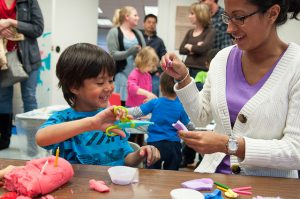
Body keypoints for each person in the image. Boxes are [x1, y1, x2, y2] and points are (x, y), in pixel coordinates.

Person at [161, 0, 300, 178]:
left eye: (239, 17)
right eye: (228, 17)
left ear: (272, 14)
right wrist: (183, 78)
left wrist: (227, 145)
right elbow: (201, 117)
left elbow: (296, 151)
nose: (230, 29)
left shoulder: (295, 66)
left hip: (269, 187)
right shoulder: (222, 59)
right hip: (213, 180)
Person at [35, 43, 160, 167]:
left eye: (111, 80)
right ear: (74, 86)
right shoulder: (64, 119)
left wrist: (140, 153)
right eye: (100, 82)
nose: (109, 88)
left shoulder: (113, 117)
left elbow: (125, 158)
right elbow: (41, 138)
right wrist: (91, 123)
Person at [128, 72, 195, 170]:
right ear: (178, 89)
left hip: (154, 144)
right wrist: (196, 129)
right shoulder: (180, 107)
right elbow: (188, 125)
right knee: (172, 173)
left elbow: (136, 112)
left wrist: (120, 111)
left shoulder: (155, 102)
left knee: (152, 172)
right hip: (173, 145)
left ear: (161, 87)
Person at [0, 0, 44, 150]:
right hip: (3, 58)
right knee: (3, 99)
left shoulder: (29, 1)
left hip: (28, 58)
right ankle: (4, 141)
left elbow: (38, 29)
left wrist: (12, 22)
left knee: (29, 98)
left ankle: (34, 143)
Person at [181, 48, 219, 168]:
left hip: (214, 119)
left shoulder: (222, 78)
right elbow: (197, 86)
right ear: (207, 64)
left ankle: (202, 160)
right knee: (193, 135)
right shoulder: (202, 74)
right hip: (202, 110)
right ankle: (188, 159)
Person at [106, 6, 146, 106]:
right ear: (127, 17)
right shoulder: (114, 32)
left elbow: (145, 52)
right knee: (120, 105)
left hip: (137, 76)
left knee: (135, 107)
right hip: (121, 75)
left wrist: (140, 53)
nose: (138, 18)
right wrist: (129, 52)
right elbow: (113, 54)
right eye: (135, 15)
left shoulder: (138, 33)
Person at [126, 46, 158, 146]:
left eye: (152, 66)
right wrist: (147, 93)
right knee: (132, 133)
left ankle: (140, 153)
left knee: (141, 134)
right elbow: (132, 88)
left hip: (143, 110)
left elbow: (149, 91)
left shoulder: (147, 75)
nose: (150, 68)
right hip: (132, 109)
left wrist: (149, 99)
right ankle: (129, 152)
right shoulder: (134, 73)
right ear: (142, 61)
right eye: (149, 65)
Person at [179, 2, 215, 79]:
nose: (189, 16)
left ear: (200, 14)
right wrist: (195, 48)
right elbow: (181, 50)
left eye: (192, 14)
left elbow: (203, 49)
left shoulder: (210, 31)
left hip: (201, 70)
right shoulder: (190, 32)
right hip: (187, 68)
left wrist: (189, 46)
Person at [141, 14, 167, 96]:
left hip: (153, 75)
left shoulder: (159, 41)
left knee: (153, 96)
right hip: (139, 73)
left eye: (154, 23)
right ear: (144, 23)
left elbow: (164, 57)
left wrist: (159, 71)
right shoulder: (138, 38)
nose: (151, 24)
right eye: (149, 22)